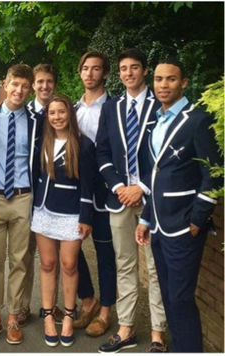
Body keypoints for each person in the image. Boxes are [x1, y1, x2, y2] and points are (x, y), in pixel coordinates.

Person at [136, 59, 222, 352]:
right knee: (170, 296)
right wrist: (146, 219)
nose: (163, 85)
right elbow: (155, 176)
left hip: (184, 225)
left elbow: (213, 171)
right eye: (158, 79)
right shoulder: (155, 122)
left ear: (184, 83)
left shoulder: (197, 120)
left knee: (181, 297)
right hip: (159, 226)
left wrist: (198, 218)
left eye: (170, 79)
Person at [96, 48, 167, 353]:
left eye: (134, 67)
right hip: (120, 199)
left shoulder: (161, 105)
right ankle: (126, 329)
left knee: (154, 267)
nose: (128, 73)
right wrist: (119, 186)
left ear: (144, 71)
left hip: (151, 199)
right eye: (123, 68)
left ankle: (157, 334)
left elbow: (164, 156)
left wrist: (141, 187)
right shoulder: (111, 108)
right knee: (124, 264)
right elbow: (102, 151)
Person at [0, 64, 41, 345]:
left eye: (25, 86)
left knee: (20, 261)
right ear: (5, 84)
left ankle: (14, 317)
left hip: (24, 197)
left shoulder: (38, 121)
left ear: (30, 89)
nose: (19, 90)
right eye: (15, 84)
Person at [32, 94, 95, 348]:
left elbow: (88, 184)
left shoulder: (83, 144)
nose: (57, 117)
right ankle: (48, 316)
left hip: (71, 212)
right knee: (47, 263)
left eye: (61, 112)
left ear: (70, 114)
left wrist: (86, 216)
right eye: (52, 113)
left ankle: (69, 316)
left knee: (69, 264)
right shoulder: (42, 141)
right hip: (43, 211)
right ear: (47, 117)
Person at [73, 51, 116, 337]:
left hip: (103, 191)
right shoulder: (72, 108)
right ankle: (88, 300)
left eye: (96, 69)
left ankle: (105, 312)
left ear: (104, 74)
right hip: (75, 192)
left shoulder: (113, 108)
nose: (90, 73)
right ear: (80, 73)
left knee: (104, 253)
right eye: (85, 68)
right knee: (72, 249)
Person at [19, 63, 64, 326]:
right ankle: (23, 306)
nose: (44, 86)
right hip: (29, 195)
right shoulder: (24, 114)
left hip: (55, 199)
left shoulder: (62, 113)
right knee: (25, 255)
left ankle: (52, 305)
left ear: (54, 84)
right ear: (33, 85)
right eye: (40, 82)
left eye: (49, 81)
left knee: (52, 257)